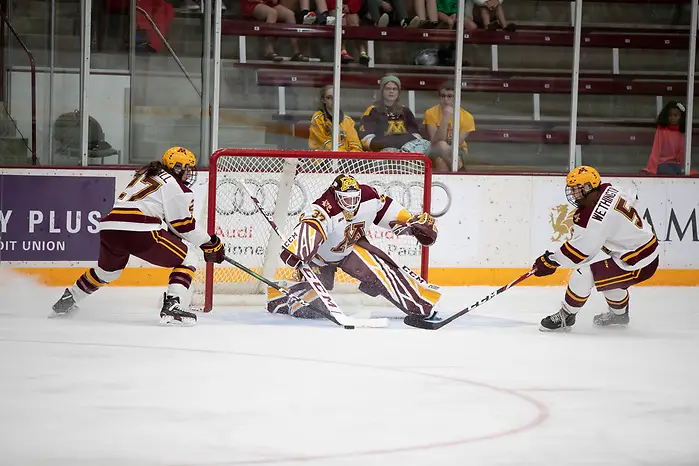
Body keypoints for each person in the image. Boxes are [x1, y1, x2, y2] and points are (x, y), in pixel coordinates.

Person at [50, 147, 225, 326]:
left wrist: (200, 241)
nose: (189, 174)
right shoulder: (175, 185)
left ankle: (67, 300)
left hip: (110, 229)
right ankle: (172, 305)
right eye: (187, 169)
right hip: (140, 229)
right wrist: (210, 243)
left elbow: (173, 226)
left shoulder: (145, 175)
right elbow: (183, 225)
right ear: (178, 168)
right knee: (188, 258)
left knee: (107, 272)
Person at [269, 174, 441, 320]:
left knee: (383, 271)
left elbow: (385, 208)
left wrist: (409, 222)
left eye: (354, 198)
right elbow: (310, 226)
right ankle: (280, 296)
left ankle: (420, 306)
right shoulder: (324, 208)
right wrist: (298, 250)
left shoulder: (368, 197)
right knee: (313, 308)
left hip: (350, 249)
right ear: (336, 196)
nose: (351, 204)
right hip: (319, 259)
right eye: (346, 199)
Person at [531, 166, 659, 332]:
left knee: (583, 274)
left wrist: (550, 261)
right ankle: (619, 315)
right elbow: (633, 196)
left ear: (589, 188)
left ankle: (566, 316)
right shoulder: (609, 189)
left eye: (576, 190)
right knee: (609, 282)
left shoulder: (594, 220)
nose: (573, 194)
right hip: (645, 250)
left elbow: (579, 254)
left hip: (637, 261)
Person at [358, 75, 430, 154]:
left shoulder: (406, 111)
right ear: (382, 91)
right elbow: (365, 139)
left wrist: (401, 144)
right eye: (388, 88)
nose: (391, 91)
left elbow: (417, 136)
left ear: (398, 92)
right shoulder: (372, 110)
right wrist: (387, 144)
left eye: (394, 89)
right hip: (382, 153)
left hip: (405, 152)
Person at [423, 81, 476, 172]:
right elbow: (435, 140)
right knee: (441, 144)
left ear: (457, 98)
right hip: (435, 149)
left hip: (458, 151)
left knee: (441, 162)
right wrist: (445, 118)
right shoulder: (430, 113)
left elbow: (456, 143)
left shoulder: (467, 117)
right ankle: (461, 172)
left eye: (450, 96)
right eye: (443, 96)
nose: (446, 99)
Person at [642, 101, 696, 175]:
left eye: (676, 115)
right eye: (670, 115)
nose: (672, 118)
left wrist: (686, 168)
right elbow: (656, 150)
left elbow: (684, 152)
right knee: (671, 174)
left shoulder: (683, 132)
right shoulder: (661, 130)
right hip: (662, 163)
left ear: (681, 117)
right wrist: (651, 168)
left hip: (678, 164)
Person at [308, 85, 363, 152]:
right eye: (329, 98)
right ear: (323, 100)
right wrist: (344, 156)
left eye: (336, 97)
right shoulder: (318, 118)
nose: (333, 100)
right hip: (323, 159)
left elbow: (355, 144)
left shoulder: (347, 120)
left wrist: (351, 158)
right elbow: (323, 143)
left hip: (344, 159)